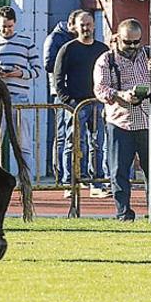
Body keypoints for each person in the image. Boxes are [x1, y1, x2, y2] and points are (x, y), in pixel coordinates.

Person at [93, 18, 151, 222]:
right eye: (128, 42)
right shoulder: (106, 60)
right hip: (120, 122)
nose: (133, 47)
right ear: (118, 38)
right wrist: (122, 95)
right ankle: (123, 213)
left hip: (149, 121)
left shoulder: (149, 53)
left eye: (136, 42)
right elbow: (100, 89)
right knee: (119, 170)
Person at [0, 6, 41, 175]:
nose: (6, 30)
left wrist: (19, 73)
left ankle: (26, 180)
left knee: (24, 143)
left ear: (15, 23)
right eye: (3, 26)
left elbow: (37, 70)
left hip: (20, 99)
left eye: (9, 26)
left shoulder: (26, 42)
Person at [53, 10, 109, 196]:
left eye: (89, 24)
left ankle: (97, 183)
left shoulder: (102, 49)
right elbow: (58, 79)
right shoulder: (67, 49)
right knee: (73, 143)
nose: (86, 28)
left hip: (97, 103)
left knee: (97, 144)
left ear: (94, 25)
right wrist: (68, 101)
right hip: (75, 104)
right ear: (75, 27)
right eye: (82, 24)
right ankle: (71, 182)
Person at [43, 11, 77, 183]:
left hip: (78, 92)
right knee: (62, 134)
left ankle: (77, 173)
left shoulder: (74, 37)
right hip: (61, 92)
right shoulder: (55, 38)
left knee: (79, 136)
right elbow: (48, 64)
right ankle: (60, 174)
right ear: (72, 23)